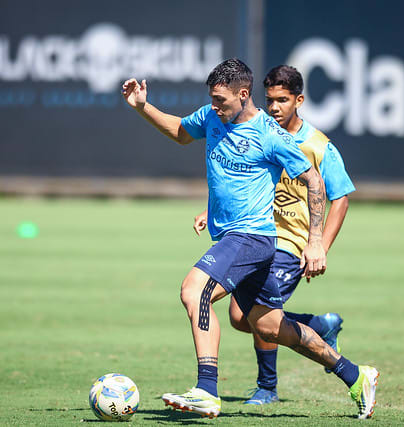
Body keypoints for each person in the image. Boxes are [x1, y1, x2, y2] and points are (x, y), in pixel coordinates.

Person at [122, 58, 378, 420]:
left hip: (252, 237)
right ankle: (355, 375)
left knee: (195, 291)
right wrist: (143, 107)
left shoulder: (271, 135)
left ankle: (207, 390)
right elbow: (181, 131)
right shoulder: (213, 116)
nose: (215, 106)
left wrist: (316, 241)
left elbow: (315, 182)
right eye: (212, 99)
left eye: (221, 100)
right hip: (235, 236)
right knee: (266, 326)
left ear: (243, 94)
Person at [192, 64, 357, 406]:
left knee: (241, 314)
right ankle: (320, 327)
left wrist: (319, 246)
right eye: (270, 100)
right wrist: (214, 210)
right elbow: (246, 182)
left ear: (299, 101)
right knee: (248, 319)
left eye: (283, 100)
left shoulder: (317, 145)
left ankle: (267, 386)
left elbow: (338, 197)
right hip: (257, 233)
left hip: (289, 246)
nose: (275, 107)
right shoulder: (257, 131)